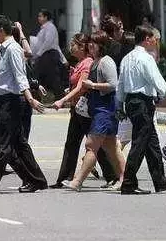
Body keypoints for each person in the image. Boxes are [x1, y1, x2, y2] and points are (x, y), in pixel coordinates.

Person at [0, 15, 48, 194]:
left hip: (11, 101)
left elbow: (20, 76)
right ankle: (38, 180)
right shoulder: (5, 49)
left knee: (4, 145)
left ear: (0, 31)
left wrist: (30, 99)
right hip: (5, 100)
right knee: (19, 144)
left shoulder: (13, 49)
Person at [118, 25, 166, 195]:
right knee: (139, 142)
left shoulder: (127, 58)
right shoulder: (146, 58)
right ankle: (128, 182)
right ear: (146, 39)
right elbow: (157, 80)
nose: (156, 41)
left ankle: (159, 180)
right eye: (153, 38)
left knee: (152, 142)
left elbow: (121, 85)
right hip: (142, 102)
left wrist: (119, 105)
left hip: (132, 102)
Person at [50, 33, 117, 188]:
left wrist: (63, 100)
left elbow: (82, 87)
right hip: (78, 109)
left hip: (85, 109)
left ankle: (111, 175)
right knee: (77, 144)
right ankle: (65, 178)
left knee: (94, 145)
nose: (70, 47)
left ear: (81, 46)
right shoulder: (81, 62)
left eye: (73, 44)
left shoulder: (88, 62)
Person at [64, 31, 126, 191]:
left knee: (91, 146)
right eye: (90, 42)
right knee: (111, 146)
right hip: (98, 109)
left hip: (105, 110)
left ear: (102, 45)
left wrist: (92, 86)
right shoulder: (96, 61)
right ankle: (125, 178)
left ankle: (77, 181)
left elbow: (113, 84)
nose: (90, 45)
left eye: (95, 43)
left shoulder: (106, 62)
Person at [30, 9, 68, 98]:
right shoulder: (43, 28)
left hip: (49, 55)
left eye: (40, 16)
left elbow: (48, 43)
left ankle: (60, 97)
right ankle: (40, 97)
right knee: (41, 77)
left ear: (45, 17)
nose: (38, 18)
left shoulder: (50, 27)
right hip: (45, 55)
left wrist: (38, 54)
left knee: (52, 78)